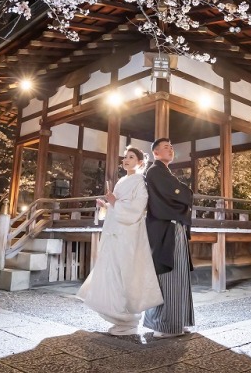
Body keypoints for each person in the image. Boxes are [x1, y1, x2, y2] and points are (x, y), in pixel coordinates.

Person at [77, 146, 164, 335]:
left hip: (129, 233)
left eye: (131, 157)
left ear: (140, 162)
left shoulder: (140, 181)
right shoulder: (121, 181)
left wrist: (114, 203)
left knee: (126, 273)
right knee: (112, 271)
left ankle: (129, 321)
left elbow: (138, 207)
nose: (126, 160)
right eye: (125, 157)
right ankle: (119, 318)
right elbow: (116, 206)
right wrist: (106, 205)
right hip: (116, 232)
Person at [143, 138, 195, 339]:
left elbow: (184, 194)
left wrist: (184, 195)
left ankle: (177, 322)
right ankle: (163, 326)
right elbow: (181, 194)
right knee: (167, 276)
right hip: (164, 228)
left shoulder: (164, 172)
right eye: (166, 147)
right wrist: (184, 195)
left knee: (179, 275)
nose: (170, 150)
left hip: (173, 226)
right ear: (155, 153)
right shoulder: (155, 171)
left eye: (172, 147)